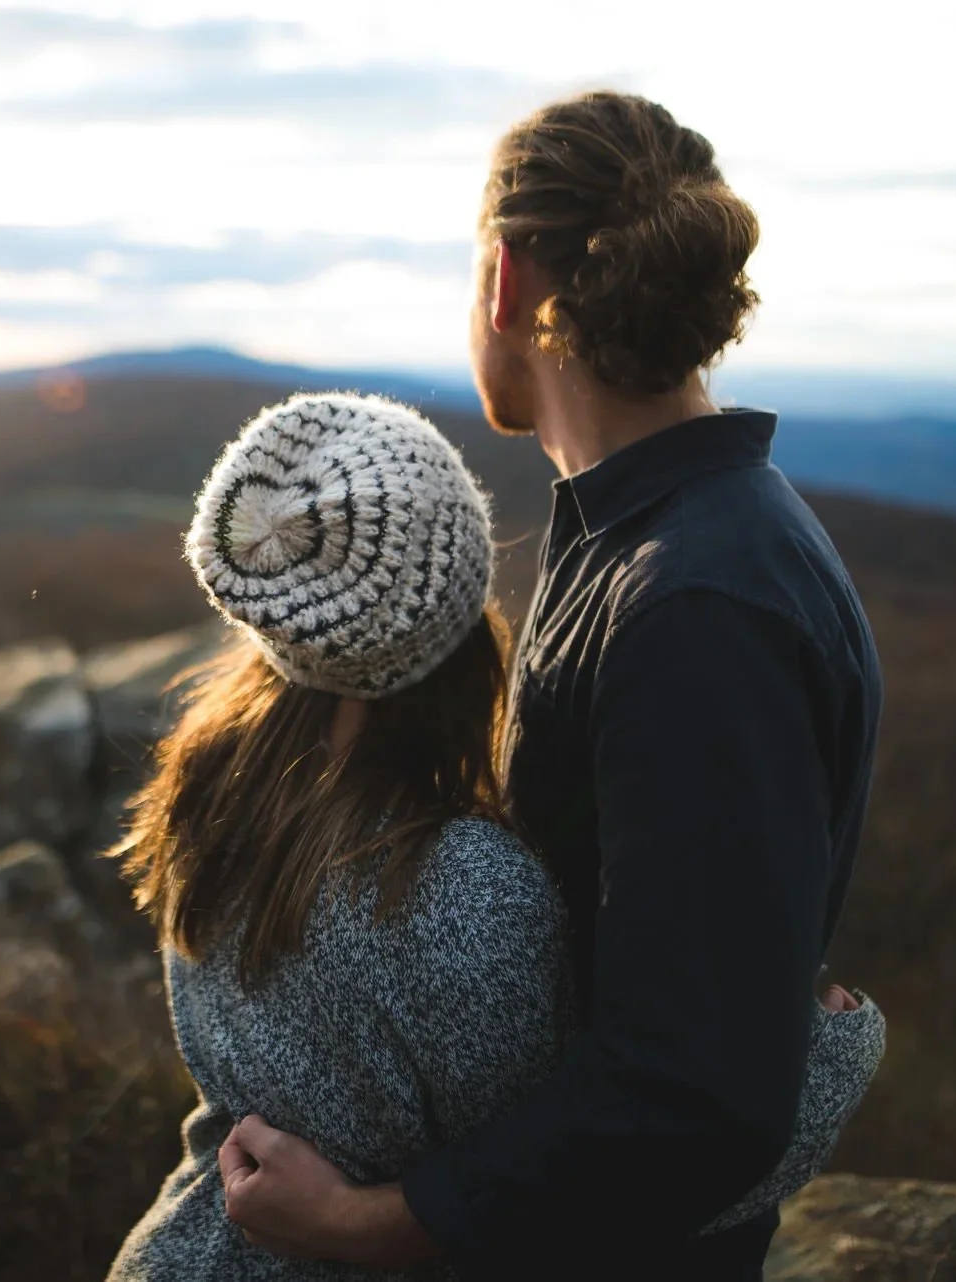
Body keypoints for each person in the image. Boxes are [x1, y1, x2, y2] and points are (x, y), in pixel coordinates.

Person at [211, 93, 886, 1280]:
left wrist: (360, 1225)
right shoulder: (647, 537)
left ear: (507, 283)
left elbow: (694, 1095)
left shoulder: (697, 610)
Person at [105, 391, 885, 1282]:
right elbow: (595, 1197)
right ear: (460, 596)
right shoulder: (456, 894)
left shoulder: (208, 794)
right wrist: (832, 1062)